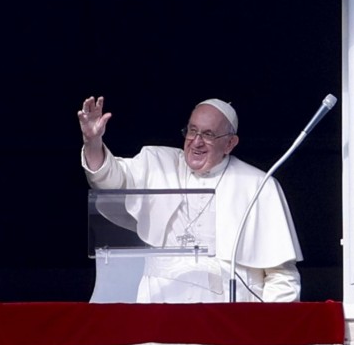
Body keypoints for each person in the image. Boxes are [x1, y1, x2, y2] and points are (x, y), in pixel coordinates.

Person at [79, 95, 302, 303]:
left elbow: (281, 277)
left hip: (229, 319)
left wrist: (272, 333)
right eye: (192, 130)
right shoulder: (157, 164)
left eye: (208, 134)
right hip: (160, 310)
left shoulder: (258, 185)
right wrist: (93, 142)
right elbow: (109, 180)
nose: (196, 142)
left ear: (230, 143)